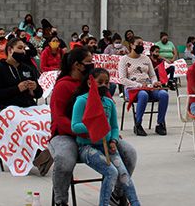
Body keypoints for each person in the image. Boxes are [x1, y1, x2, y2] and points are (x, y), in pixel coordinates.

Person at [49, 47, 137, 206]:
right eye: (89, 62)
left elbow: (109, 116)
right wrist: (86, 132)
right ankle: (60, 201)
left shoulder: (97, 83)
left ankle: (117, 194)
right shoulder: (63, 86)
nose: (93, 64)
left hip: (99, 137)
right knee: (64, 158)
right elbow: (59, 118)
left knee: (129, 153)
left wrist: (113, 137)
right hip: (66, 134)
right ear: (77, 65)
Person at [70, 68, 140, 206]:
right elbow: (75, 126)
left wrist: (113, 140)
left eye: (107, 83)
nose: (104, 85)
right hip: (87, 147)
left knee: (123, 174)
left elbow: (114, 126)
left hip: (107, 145)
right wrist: (94, 125)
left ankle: (135, 203)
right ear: (90, 83)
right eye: (100, 82)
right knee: (111, 172)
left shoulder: (108, 103)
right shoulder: (82, 101)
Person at [118, 37, 169, 136]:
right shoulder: (124, 60)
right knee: (143, 94)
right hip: (133, 88)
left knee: (164, 94)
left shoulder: (146, 58)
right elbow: (122, 79)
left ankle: (160, 123)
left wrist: (155, 82)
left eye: (142, 44)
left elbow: (152, 75)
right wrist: (139, 85)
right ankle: (138, 124)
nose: (141, 46)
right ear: (132, 45)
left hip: (148, 86)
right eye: (139, 44)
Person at [0, 38, 42, 112]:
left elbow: (39, 94)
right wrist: (17, 89)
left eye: (24, 48)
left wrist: (35, 88)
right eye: (20, 48)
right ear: (10, 50)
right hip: (8, 110)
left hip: (28, 108)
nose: (23, 51)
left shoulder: (27, 68)